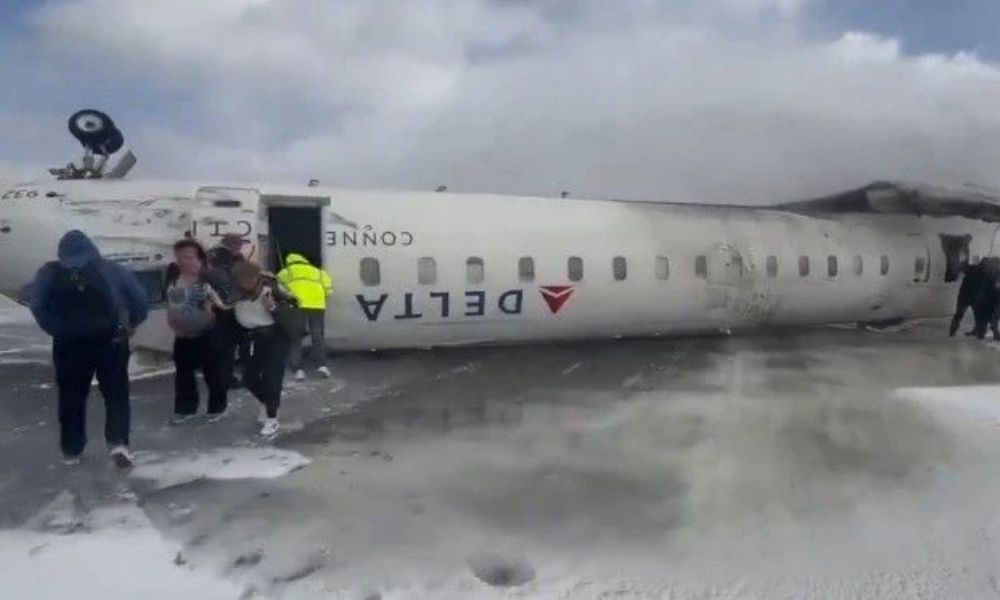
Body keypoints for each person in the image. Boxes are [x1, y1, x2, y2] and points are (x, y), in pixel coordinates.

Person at [29, 230, 149, 468]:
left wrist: (56, 328)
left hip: (69, 344)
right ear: (92, 248)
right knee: (116, 394)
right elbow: (139, 299)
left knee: (71, 396)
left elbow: (37, 304)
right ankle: (118, 443)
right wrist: (131, 324)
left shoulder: (49, 273)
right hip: (110, 341)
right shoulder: (112, 270)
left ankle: (72, 449)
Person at [166, 239, 230, 424]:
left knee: (213, 373)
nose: (184, 261)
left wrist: (214, 311)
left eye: (189, 257)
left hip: (208, 334)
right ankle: (186, 409)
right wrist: (174, 324)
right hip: (182, 336)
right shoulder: (173, 278)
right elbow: (170, 304)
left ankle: (217, 407)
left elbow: (225, 305)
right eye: (180, 257)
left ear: (200, 259)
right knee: (183, 374)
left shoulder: (210, 278)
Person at [232, 261, 294, 436]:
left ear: (256, 277)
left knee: (272, 377)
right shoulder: (236, 294)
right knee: (249, 377)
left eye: (248, 280)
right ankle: (266, 403)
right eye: (241, 281)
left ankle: (272, 418)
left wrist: (273, 308)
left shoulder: (272, 290)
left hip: (274, 337)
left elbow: (291, 311)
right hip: (249, 338)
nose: (245, 284)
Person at [277, 253, 333, 381]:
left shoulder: (286, 272)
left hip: (297, 306)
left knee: (296, 337)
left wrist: (289, 295)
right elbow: (329, 290)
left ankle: (298, 370)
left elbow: (278, 288)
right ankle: (322, 366)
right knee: (318, 336)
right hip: (317, 306)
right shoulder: (318, 272)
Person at [204, 234, 247, 390]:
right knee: (227, 346)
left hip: (212, 307)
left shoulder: (210, 255)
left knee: (219, 345)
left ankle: (219, 375)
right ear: (233, 245)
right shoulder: (227, 259)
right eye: (239, 246)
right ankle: (227, 379)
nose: (240, 249)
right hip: (226, 308)